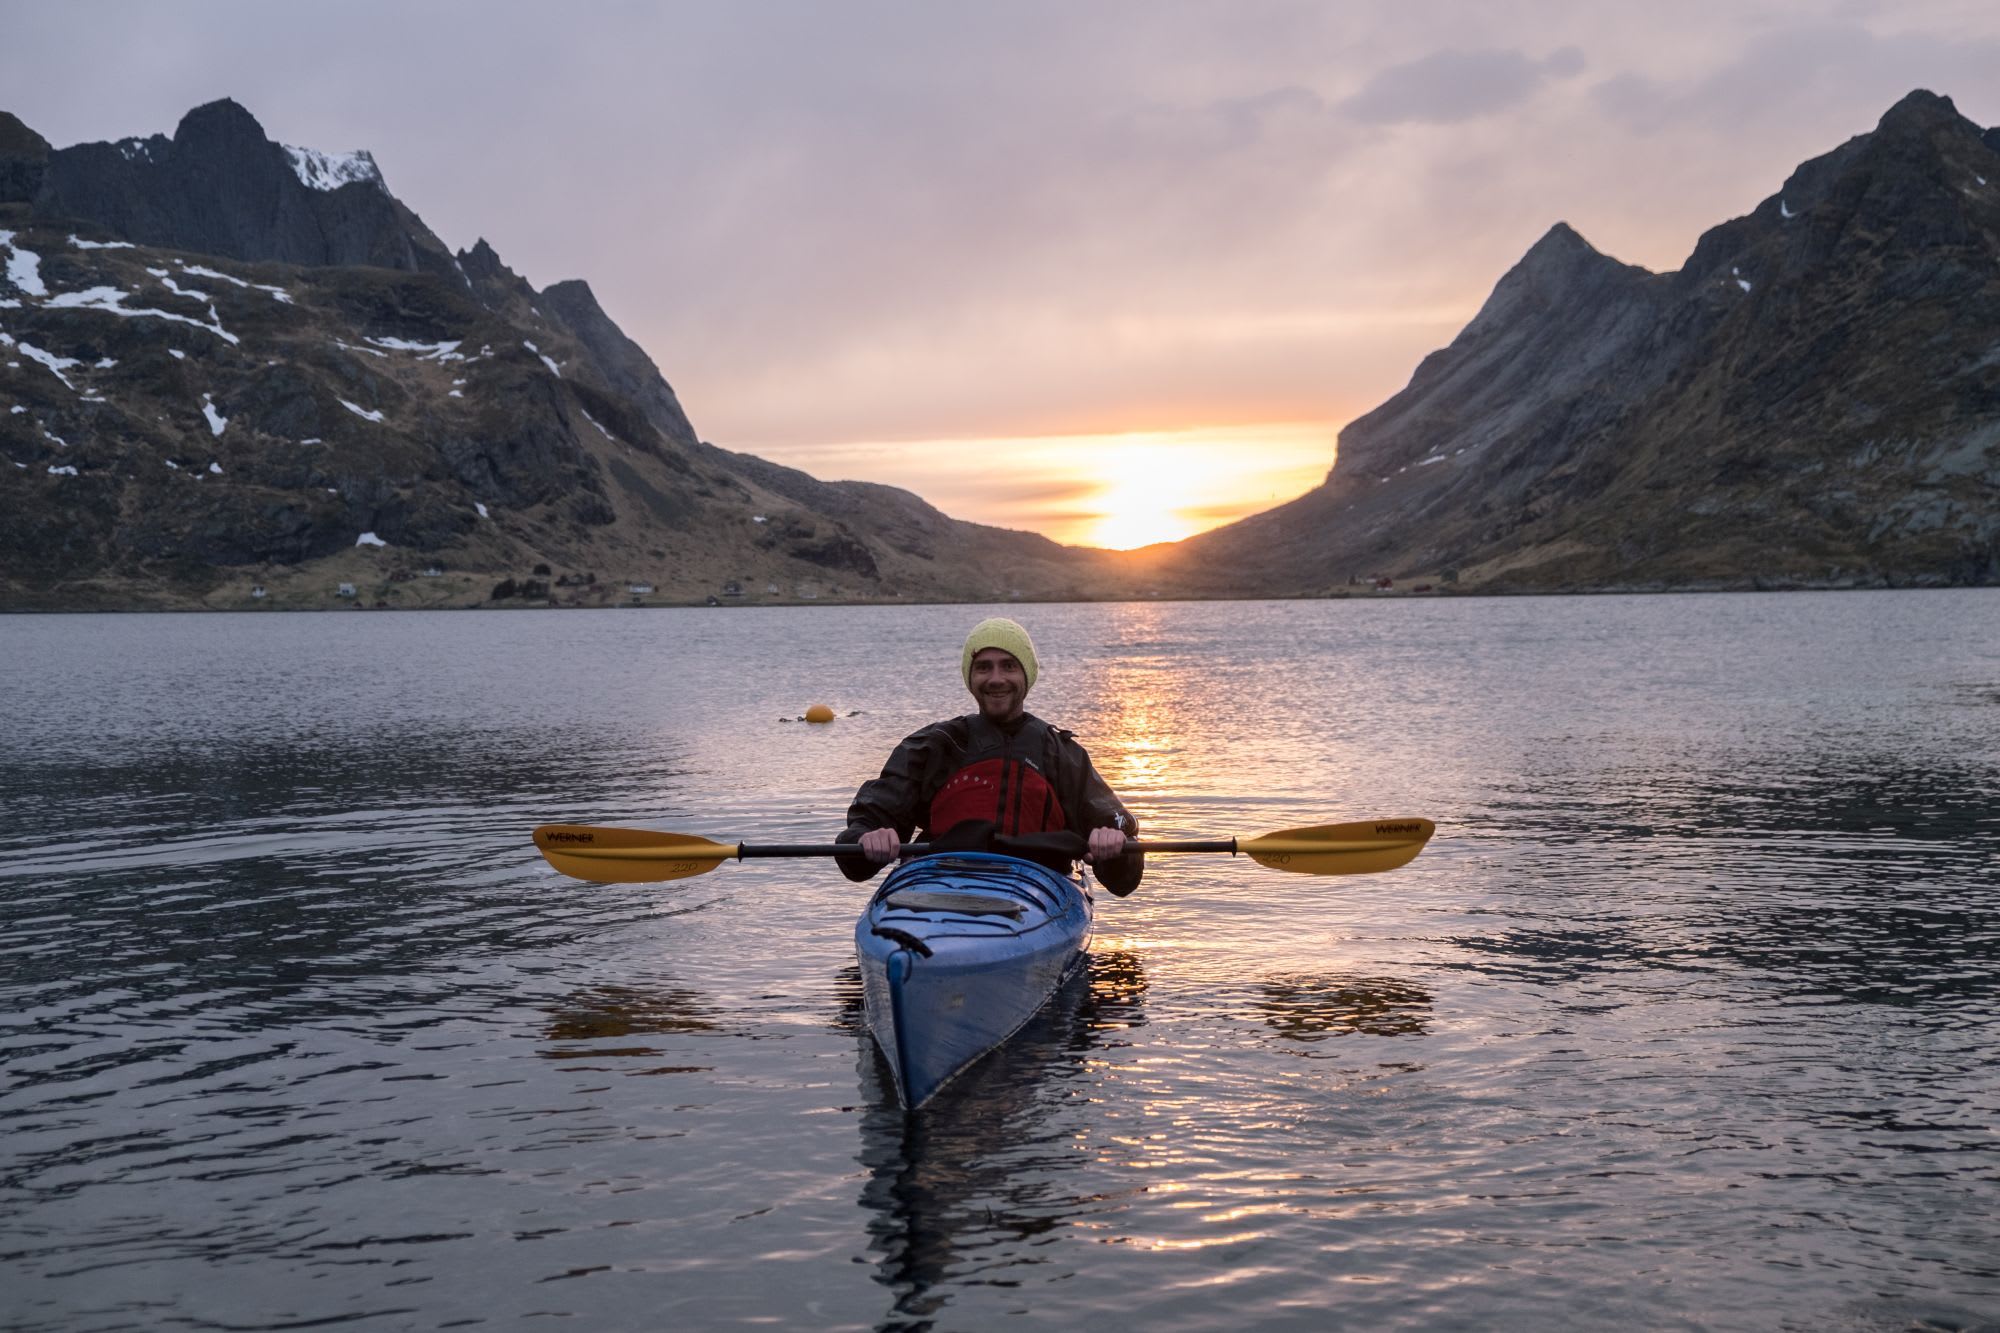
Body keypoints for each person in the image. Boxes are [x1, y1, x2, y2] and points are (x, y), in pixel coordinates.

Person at [835, 617, 1144, 896]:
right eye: (984, 667)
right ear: (971, 679)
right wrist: (867, 837)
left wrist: (1113, 840)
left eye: (1009, 665)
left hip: (1039, 888)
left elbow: (1123, 880)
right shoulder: (933, 746)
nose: (996, 678)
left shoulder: (1062, 754)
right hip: (938, 883)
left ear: (1027, 674)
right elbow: (861, 848)